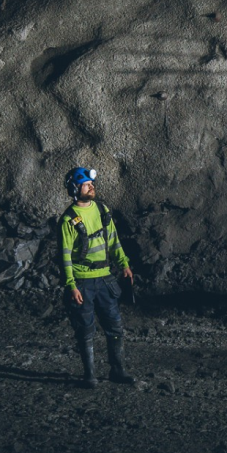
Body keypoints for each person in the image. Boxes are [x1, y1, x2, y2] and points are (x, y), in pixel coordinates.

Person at [60, 166, 136, 388]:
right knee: (85, 330)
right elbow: (64, 256)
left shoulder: (102, 210)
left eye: (91, 184)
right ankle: (89, 376)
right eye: (86, 184)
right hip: (82, 282)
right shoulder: (68, 220)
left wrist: (124, 264)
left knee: (115, 327)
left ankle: (117, 371)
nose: (91, 187)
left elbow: (113, 240)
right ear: (75, 188)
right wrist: (71, 285)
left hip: (105, 279)